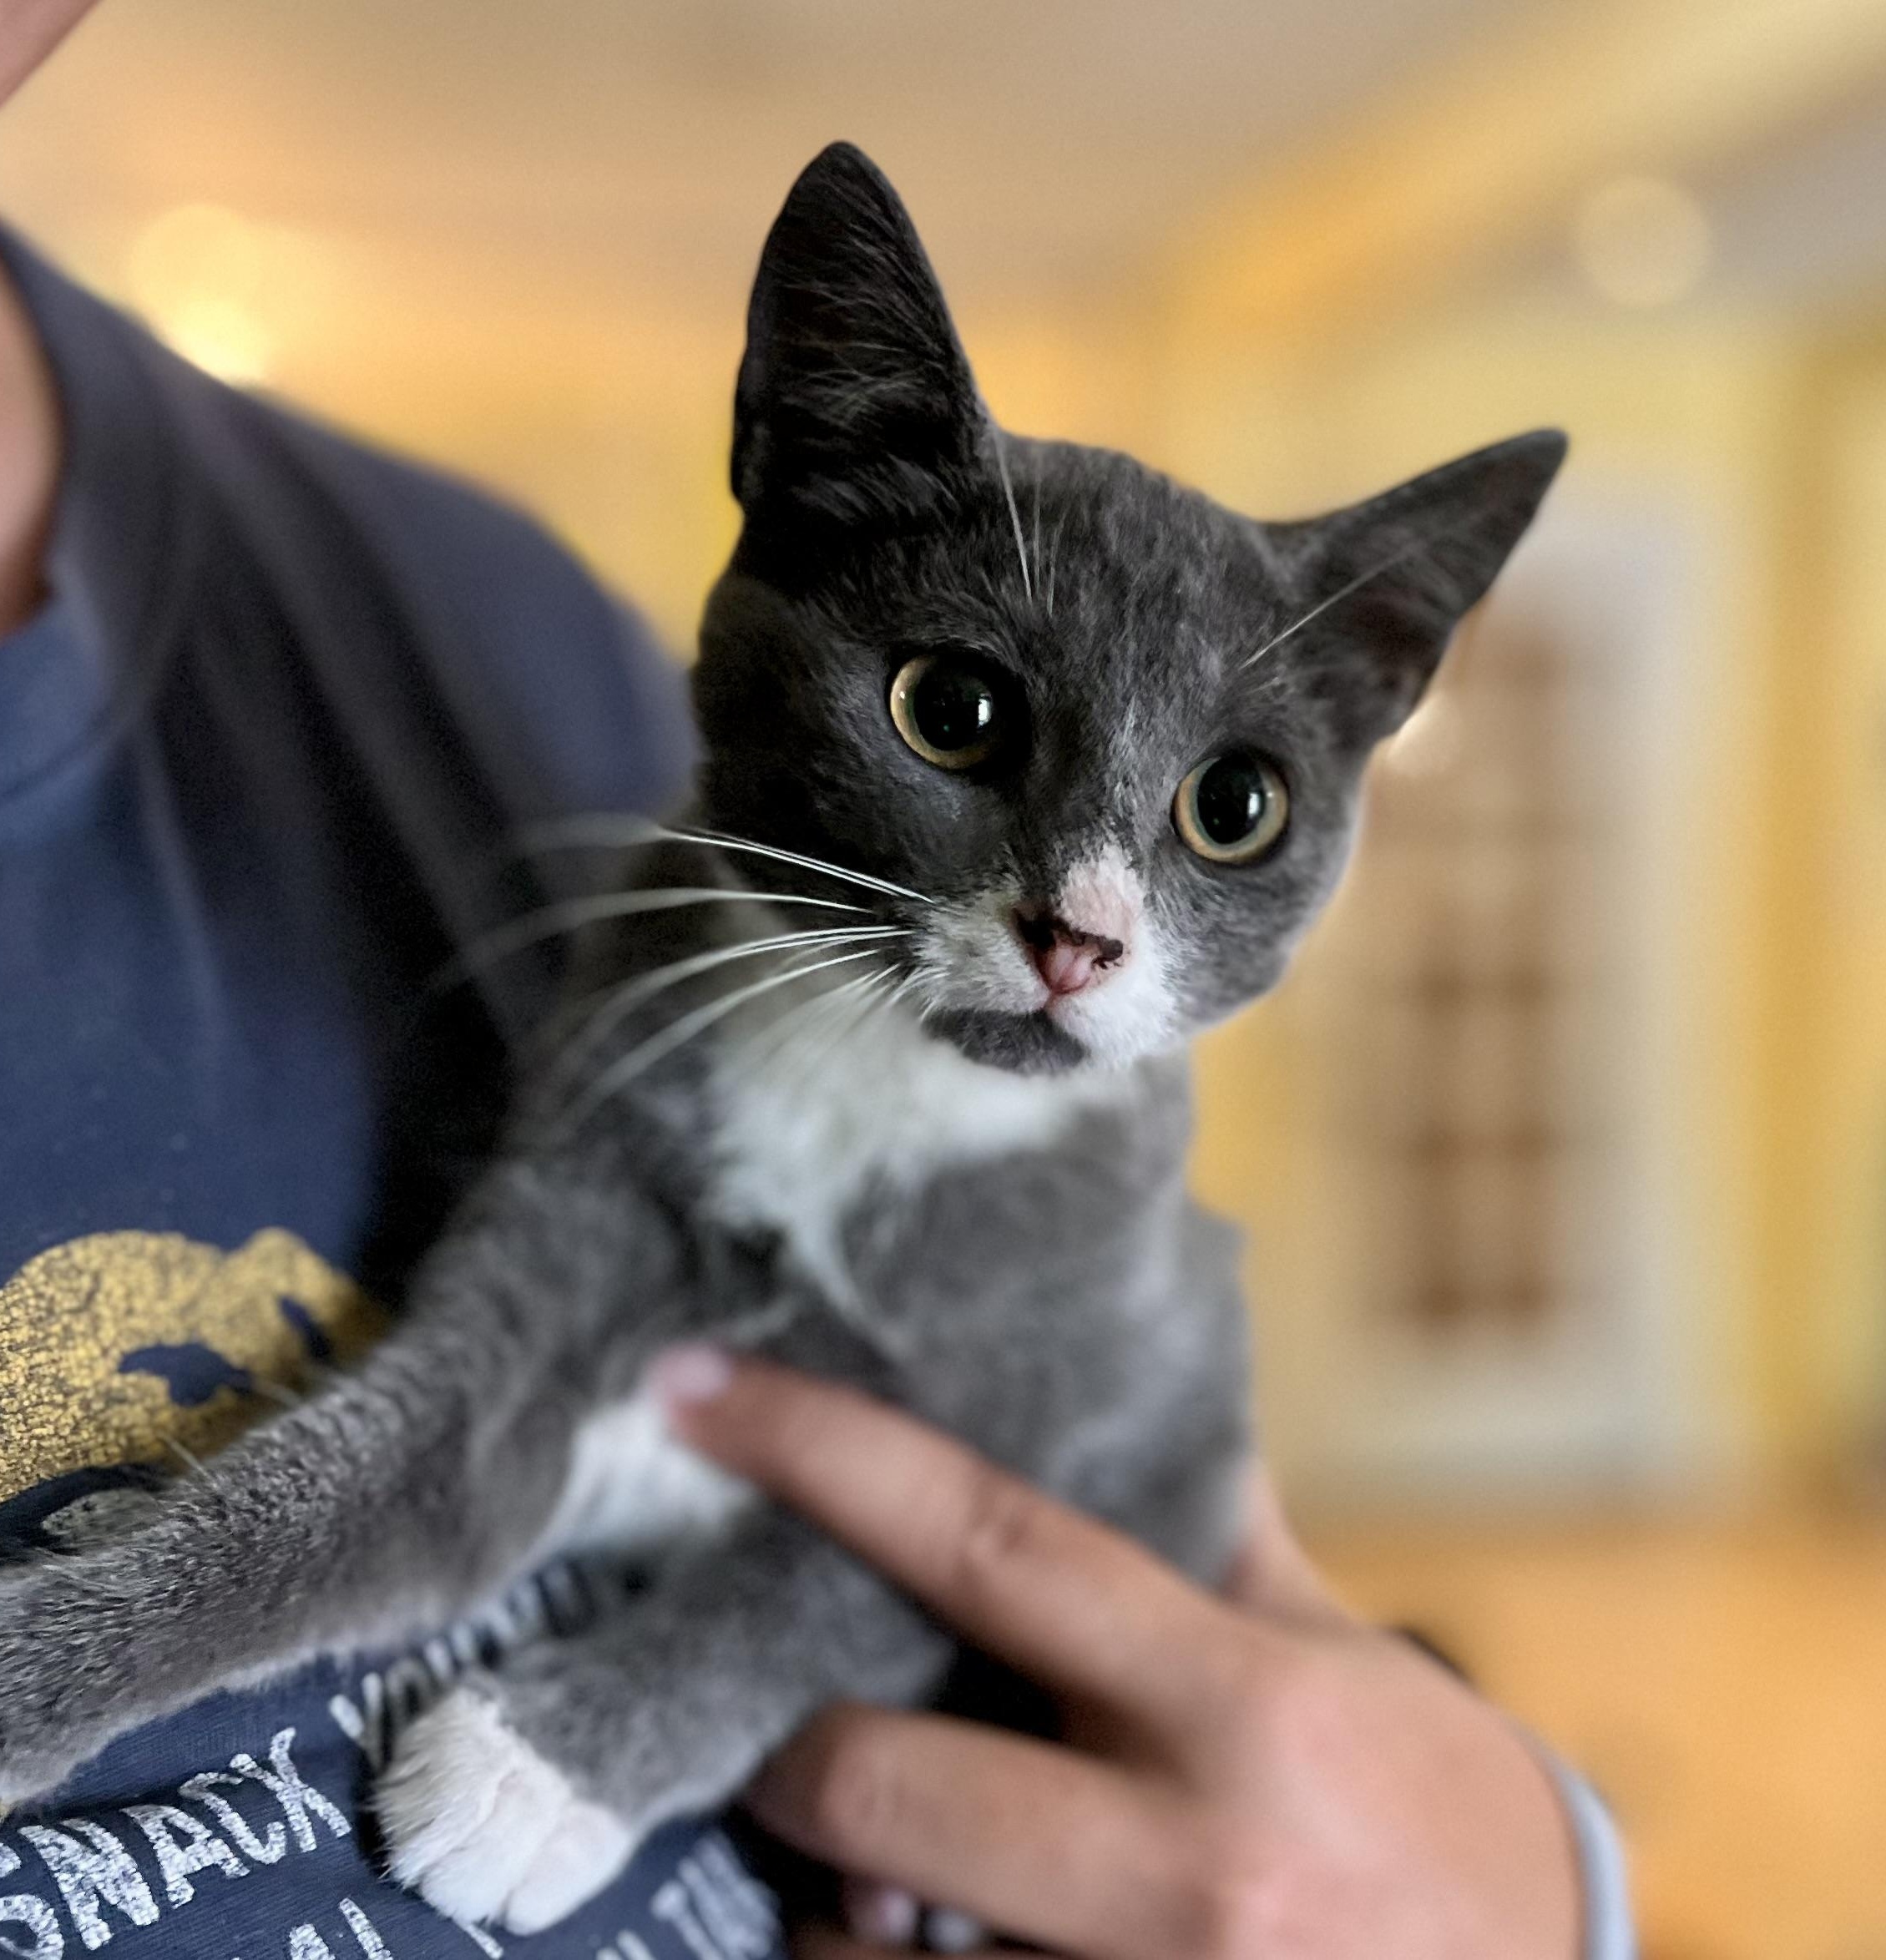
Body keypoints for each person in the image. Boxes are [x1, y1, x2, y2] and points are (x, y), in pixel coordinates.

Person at [0, 7, 1632, 1955]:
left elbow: (1018, 1527)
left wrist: (1559, 1890)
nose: (1087, 920)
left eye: (1225, 806)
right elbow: (463, 1421)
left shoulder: (492, 630)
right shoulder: (654, 969)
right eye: (959, 710)